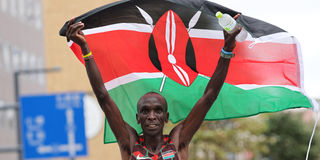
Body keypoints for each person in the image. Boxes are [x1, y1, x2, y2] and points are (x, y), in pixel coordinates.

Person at [66, 13, 241, 160]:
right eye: (145, 111)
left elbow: (209, 97)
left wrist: (226, 50)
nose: (151, 116)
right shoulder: (130, 143)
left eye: (157, 111)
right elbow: (103, 97)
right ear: (137, 117)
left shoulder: (178, 140)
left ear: (166, 117)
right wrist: (85, 48)